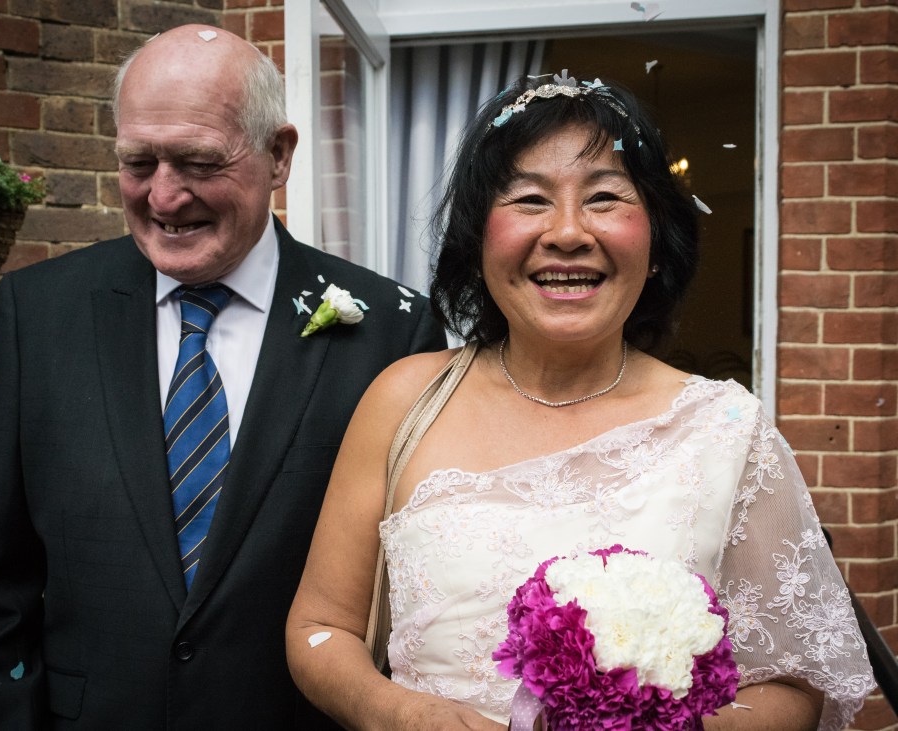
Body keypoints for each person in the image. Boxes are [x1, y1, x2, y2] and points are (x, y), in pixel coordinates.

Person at [286, 71, 876, 730]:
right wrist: (401, 713)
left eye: (603, 198)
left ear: (655, 241)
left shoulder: (727, 428)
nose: (567, 232)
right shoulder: (403, 399)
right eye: (529, 199)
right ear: (477, 240)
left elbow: (793, 685)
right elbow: (320, 627)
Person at [0, 24, 446, 730]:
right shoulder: (40, 312)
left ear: (279, 154)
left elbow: (411, 599)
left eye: (199, 162)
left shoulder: (392, 330)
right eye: (138, 162)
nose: (164, 197)